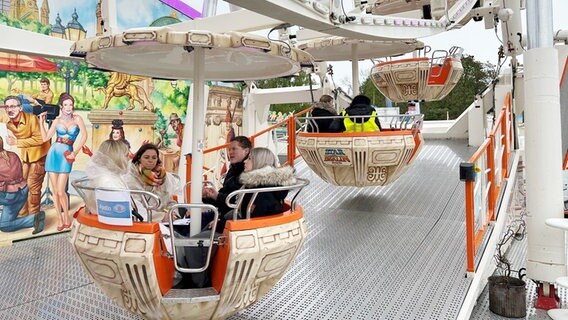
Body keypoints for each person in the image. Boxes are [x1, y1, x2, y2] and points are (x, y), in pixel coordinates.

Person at [39, 93, 87, 231]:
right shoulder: (56, 121)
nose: (68, 107)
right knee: (55, 190)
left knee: (61, 191)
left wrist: (75, 152)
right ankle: (60, 220)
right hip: (54, 153)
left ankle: (66, 217)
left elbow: (84, 136)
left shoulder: (77, 119)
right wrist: (41, 124)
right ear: (61, 106)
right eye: (65, 105)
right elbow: (45, 138)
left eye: (70, 104)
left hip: (67, 154)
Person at [4, 95, 50, 223]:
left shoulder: (32, 119)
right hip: (26, 157)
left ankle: (35, 218)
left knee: (32, 188)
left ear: (20, 108)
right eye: (7, 107)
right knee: (21, 187)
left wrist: (17, 141)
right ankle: (23, 215)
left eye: (13, 106)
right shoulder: (9, 124)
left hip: (39, 157)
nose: (9, 109)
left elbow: (40, 139)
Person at [202, 136, 252, 225]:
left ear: (246, 151)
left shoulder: (248, 174)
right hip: (222, 214)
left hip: (230, 220)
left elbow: (235, 202)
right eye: (229, 150)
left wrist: (216, 196)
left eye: (234, 149)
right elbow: (225, 196)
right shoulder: (233, 169)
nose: (230, 152)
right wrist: (209, 197)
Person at [0, 136, 45, 234]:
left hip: (11, 196)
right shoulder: (12, 155)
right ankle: (35, 219)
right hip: (22, 191)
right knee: (4, 225)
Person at [123, 143, 180, 220]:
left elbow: (170, 200)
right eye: (146, 157)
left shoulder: (162, 176)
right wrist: (161, 217)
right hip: (145, 222)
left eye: (154, 158)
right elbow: (136, 207)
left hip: (166, 220)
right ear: (139, 158)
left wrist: (173, 212)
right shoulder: (131, 178)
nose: (150, 161)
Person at [83, 139, 130, 214]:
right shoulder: (109, 182)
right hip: (116, 221)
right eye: (126, 155)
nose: (128, 159)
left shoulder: (105, 175)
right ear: (117, 157)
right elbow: (120, 212)